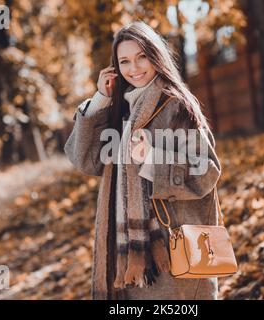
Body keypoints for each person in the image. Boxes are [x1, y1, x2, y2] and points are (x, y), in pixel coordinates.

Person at [64, 21, 222, 300]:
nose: (134, 68)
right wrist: (100, 99)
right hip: (127, 253)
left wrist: (152, 158)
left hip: (171, 248)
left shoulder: (176, 105)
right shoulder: (121, 109)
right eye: (124, 61)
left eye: (141, 57)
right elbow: (84, 160)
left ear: (155, 55)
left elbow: (206, 172)